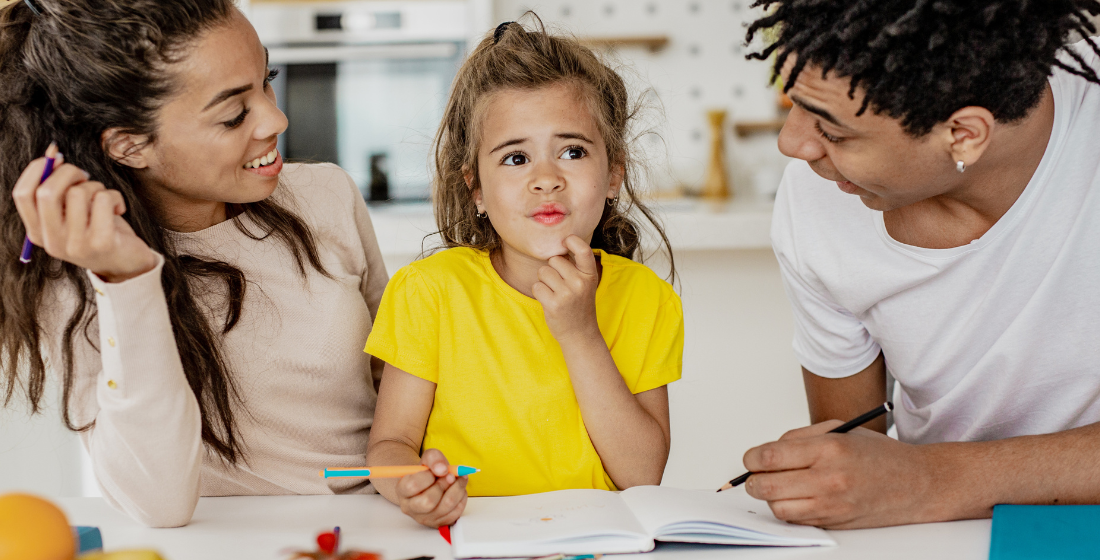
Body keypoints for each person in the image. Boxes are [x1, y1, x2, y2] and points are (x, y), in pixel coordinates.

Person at [0, 0, 388, 527]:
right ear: (130, 145)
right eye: (233, 114)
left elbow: (399, 375)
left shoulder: (327, 194)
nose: (277, 118)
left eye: (266, 79)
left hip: (384, 526)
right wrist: (127, 279)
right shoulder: (74, 278)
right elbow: (157, 501)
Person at [732, 0, 1100, 529]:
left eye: (833, 132)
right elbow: (850, 447)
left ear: (963, 135)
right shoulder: (820, 197)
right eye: (795, 103)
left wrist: (933, 479)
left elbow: (909, 483)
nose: (792, 144)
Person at [364, 21, 684, 528]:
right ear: (476, 189)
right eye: (516, 158)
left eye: (573, 151)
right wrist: (411, 484)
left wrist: (580, 333)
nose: (546, 179)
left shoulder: (647, 299)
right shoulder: (428, 292)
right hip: (466, 534)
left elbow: (642, 474)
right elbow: (390, 444)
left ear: (614, 173)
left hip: (595, 538)